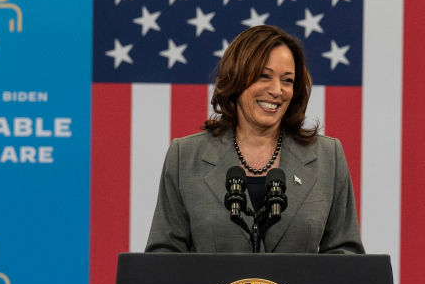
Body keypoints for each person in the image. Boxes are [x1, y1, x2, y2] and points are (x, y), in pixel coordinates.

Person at [145, 25, 364, 254]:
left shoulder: (328, 157)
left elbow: (346, 256)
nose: (277, 90)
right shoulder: (186, 156)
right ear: (237, 78)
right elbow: (163, 257)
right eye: (264, 76)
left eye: (287, 80)